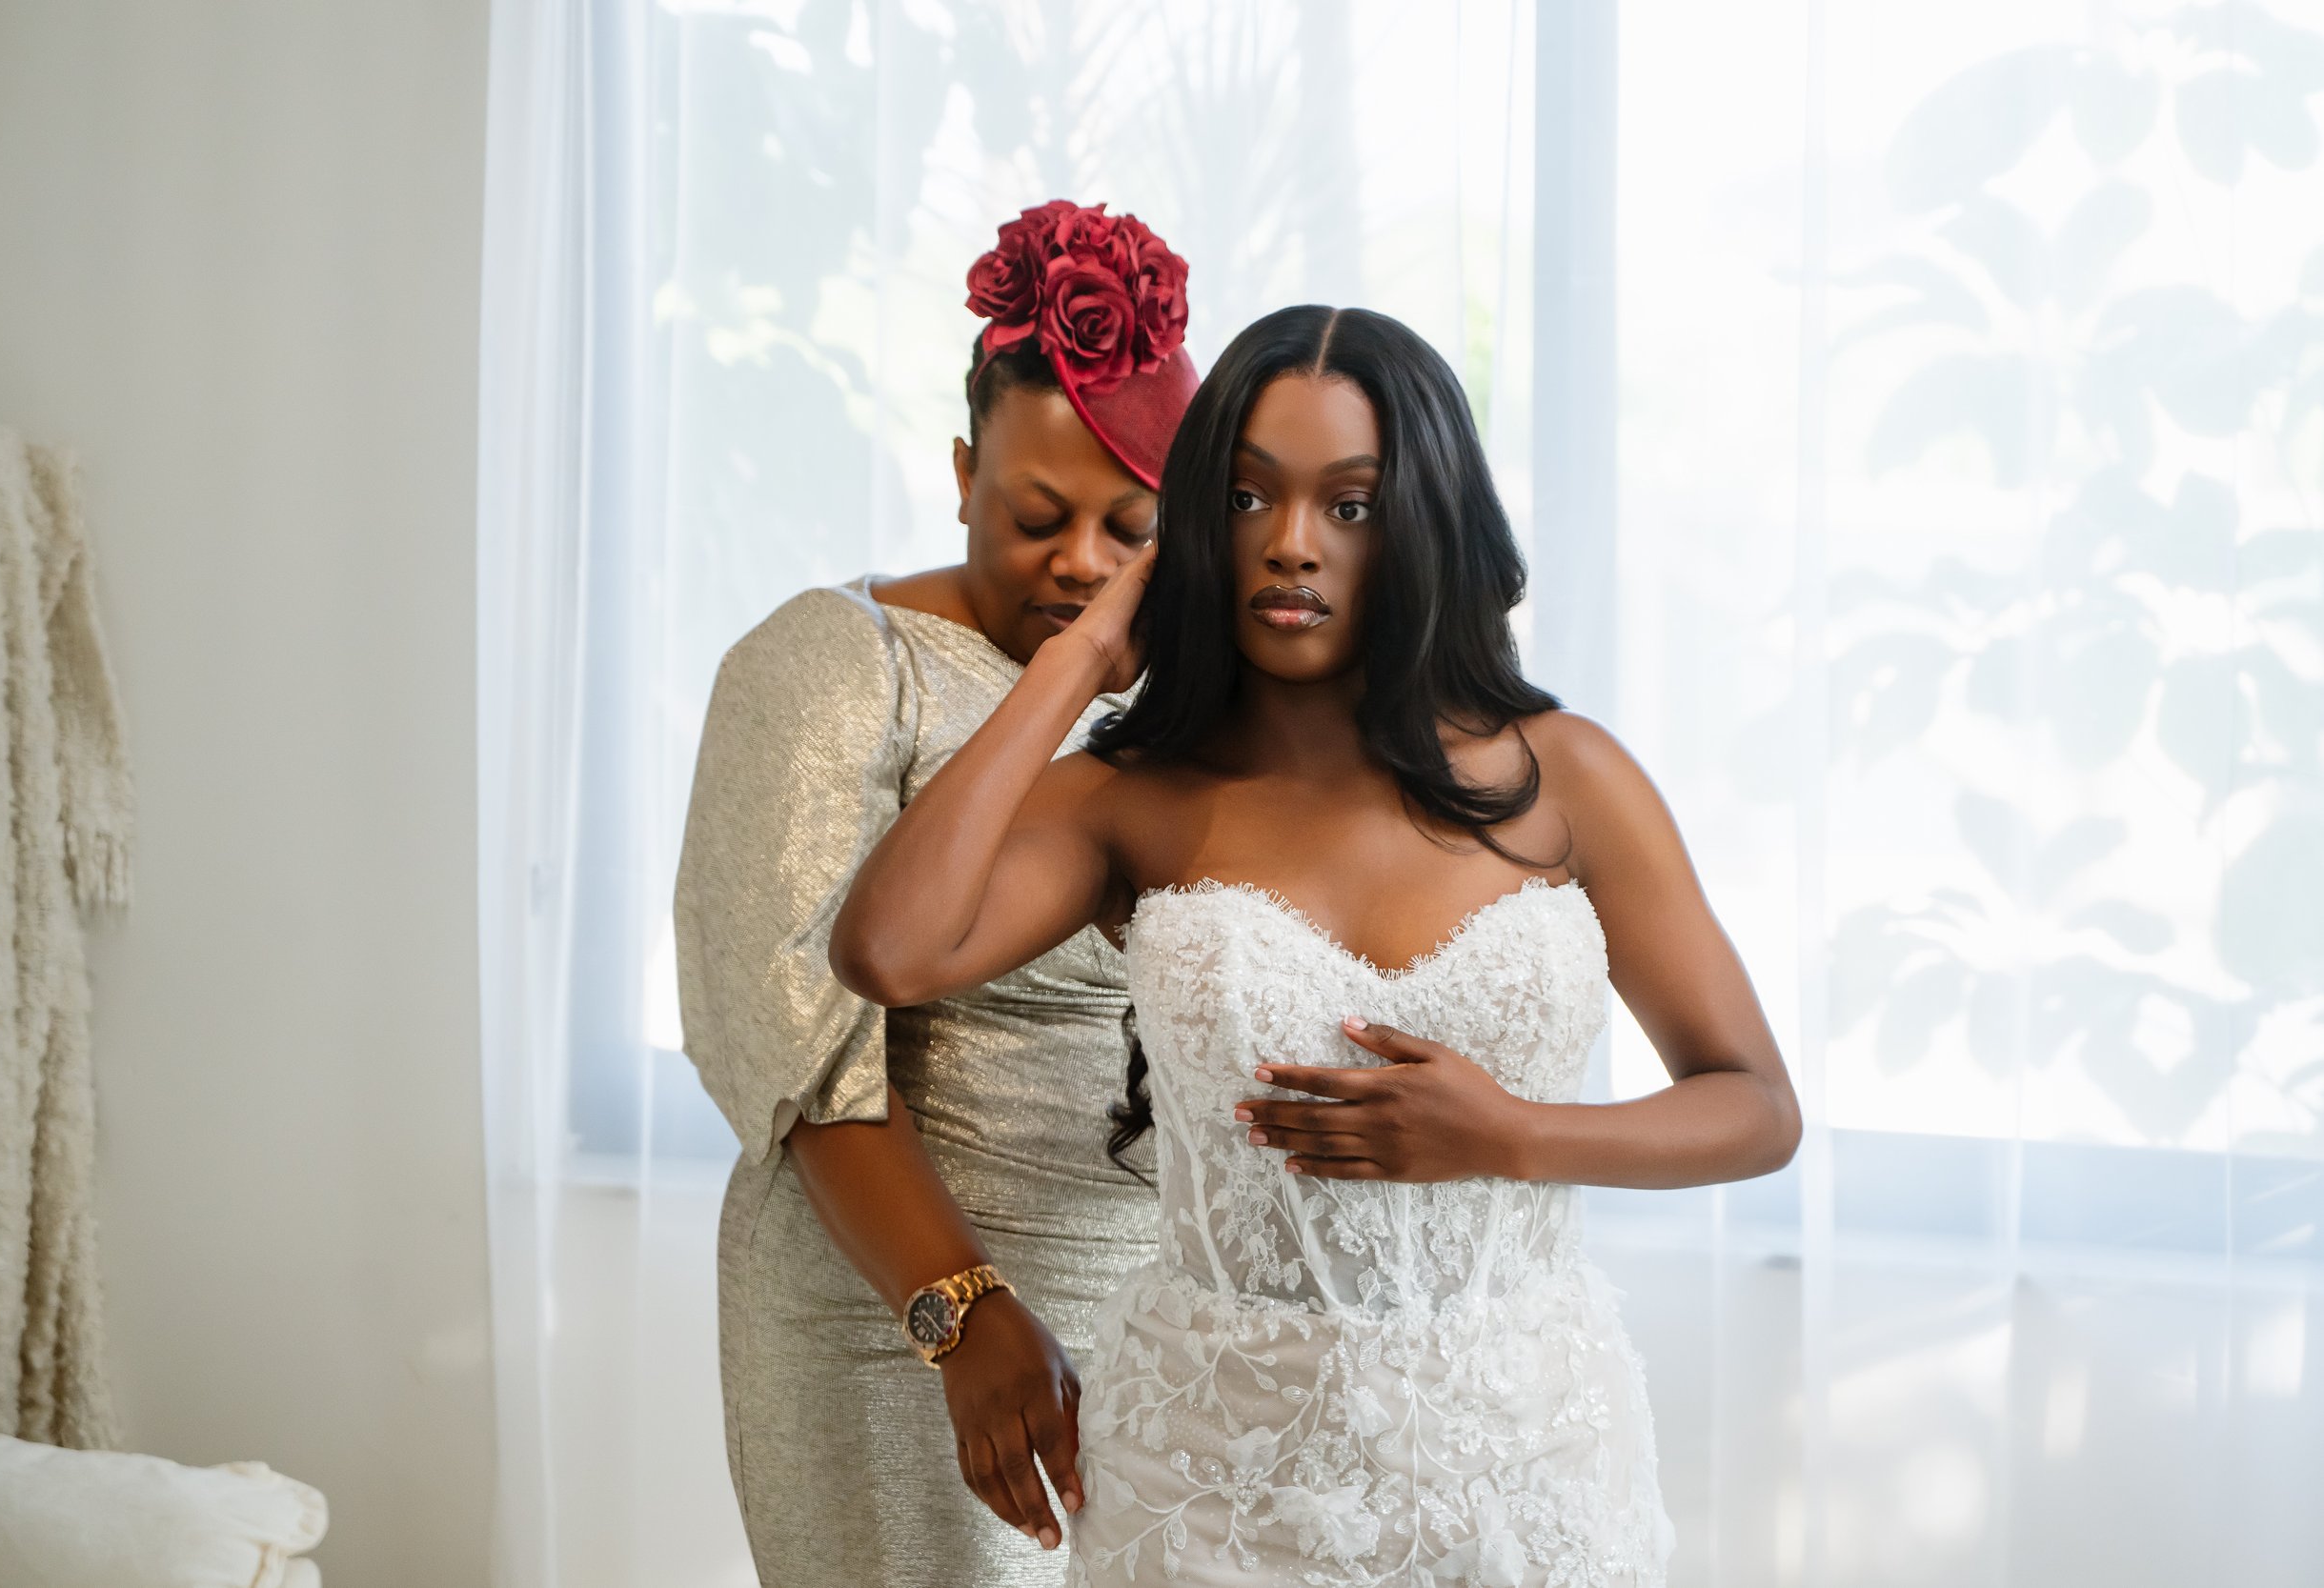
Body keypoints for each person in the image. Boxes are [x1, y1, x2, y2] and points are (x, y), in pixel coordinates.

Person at [829, 305, 1803, 1585]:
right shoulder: (1138, 796)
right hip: (1212, 1479)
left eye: (1350, 504)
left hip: (1529, 1469)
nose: (1289, 545)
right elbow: (887, 950)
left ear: (1424, 524)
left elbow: (1755, 1108)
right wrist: (1079, 662)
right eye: (1244, 497)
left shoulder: (1565, 779)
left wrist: (1512, 1134)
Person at [674, 200, 1200, 1588]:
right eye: (1035, 516)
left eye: (1127, 529)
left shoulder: (1190, 700)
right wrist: (962, 1314)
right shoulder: (837, 664)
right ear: (962, 471)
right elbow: (796, 1041)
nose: (1081, 561)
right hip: (892, 1306)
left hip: (1149, 1305)